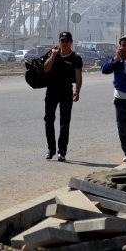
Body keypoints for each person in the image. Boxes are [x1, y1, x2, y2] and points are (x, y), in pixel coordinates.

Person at [40, 31, 83, 162]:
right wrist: (53, 54)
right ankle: (51, 149)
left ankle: (62, 152)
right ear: (59, 42)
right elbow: (46, 69)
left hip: (66, 92)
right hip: (52, 91)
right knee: (48, 119)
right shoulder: (53, 54)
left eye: (67, 41)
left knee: (64, 122)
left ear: (71, 42)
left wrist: (77, 91)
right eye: (62, 41)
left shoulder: (76, 58)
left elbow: (78, 76)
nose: (65, 43)